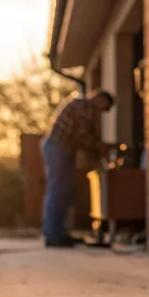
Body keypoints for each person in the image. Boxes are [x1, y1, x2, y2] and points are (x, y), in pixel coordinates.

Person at [41, 89, 115, 247]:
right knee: (57, 189)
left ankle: (60, 232)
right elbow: (84, 136)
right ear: (100, 100)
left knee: (65, 189)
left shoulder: (87, 109)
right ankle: (52, 234)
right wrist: (99, 147)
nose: (102, 112)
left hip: (65, 149)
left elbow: (87, 137)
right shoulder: (82, 106)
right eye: (105, 107)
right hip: (57, 147)